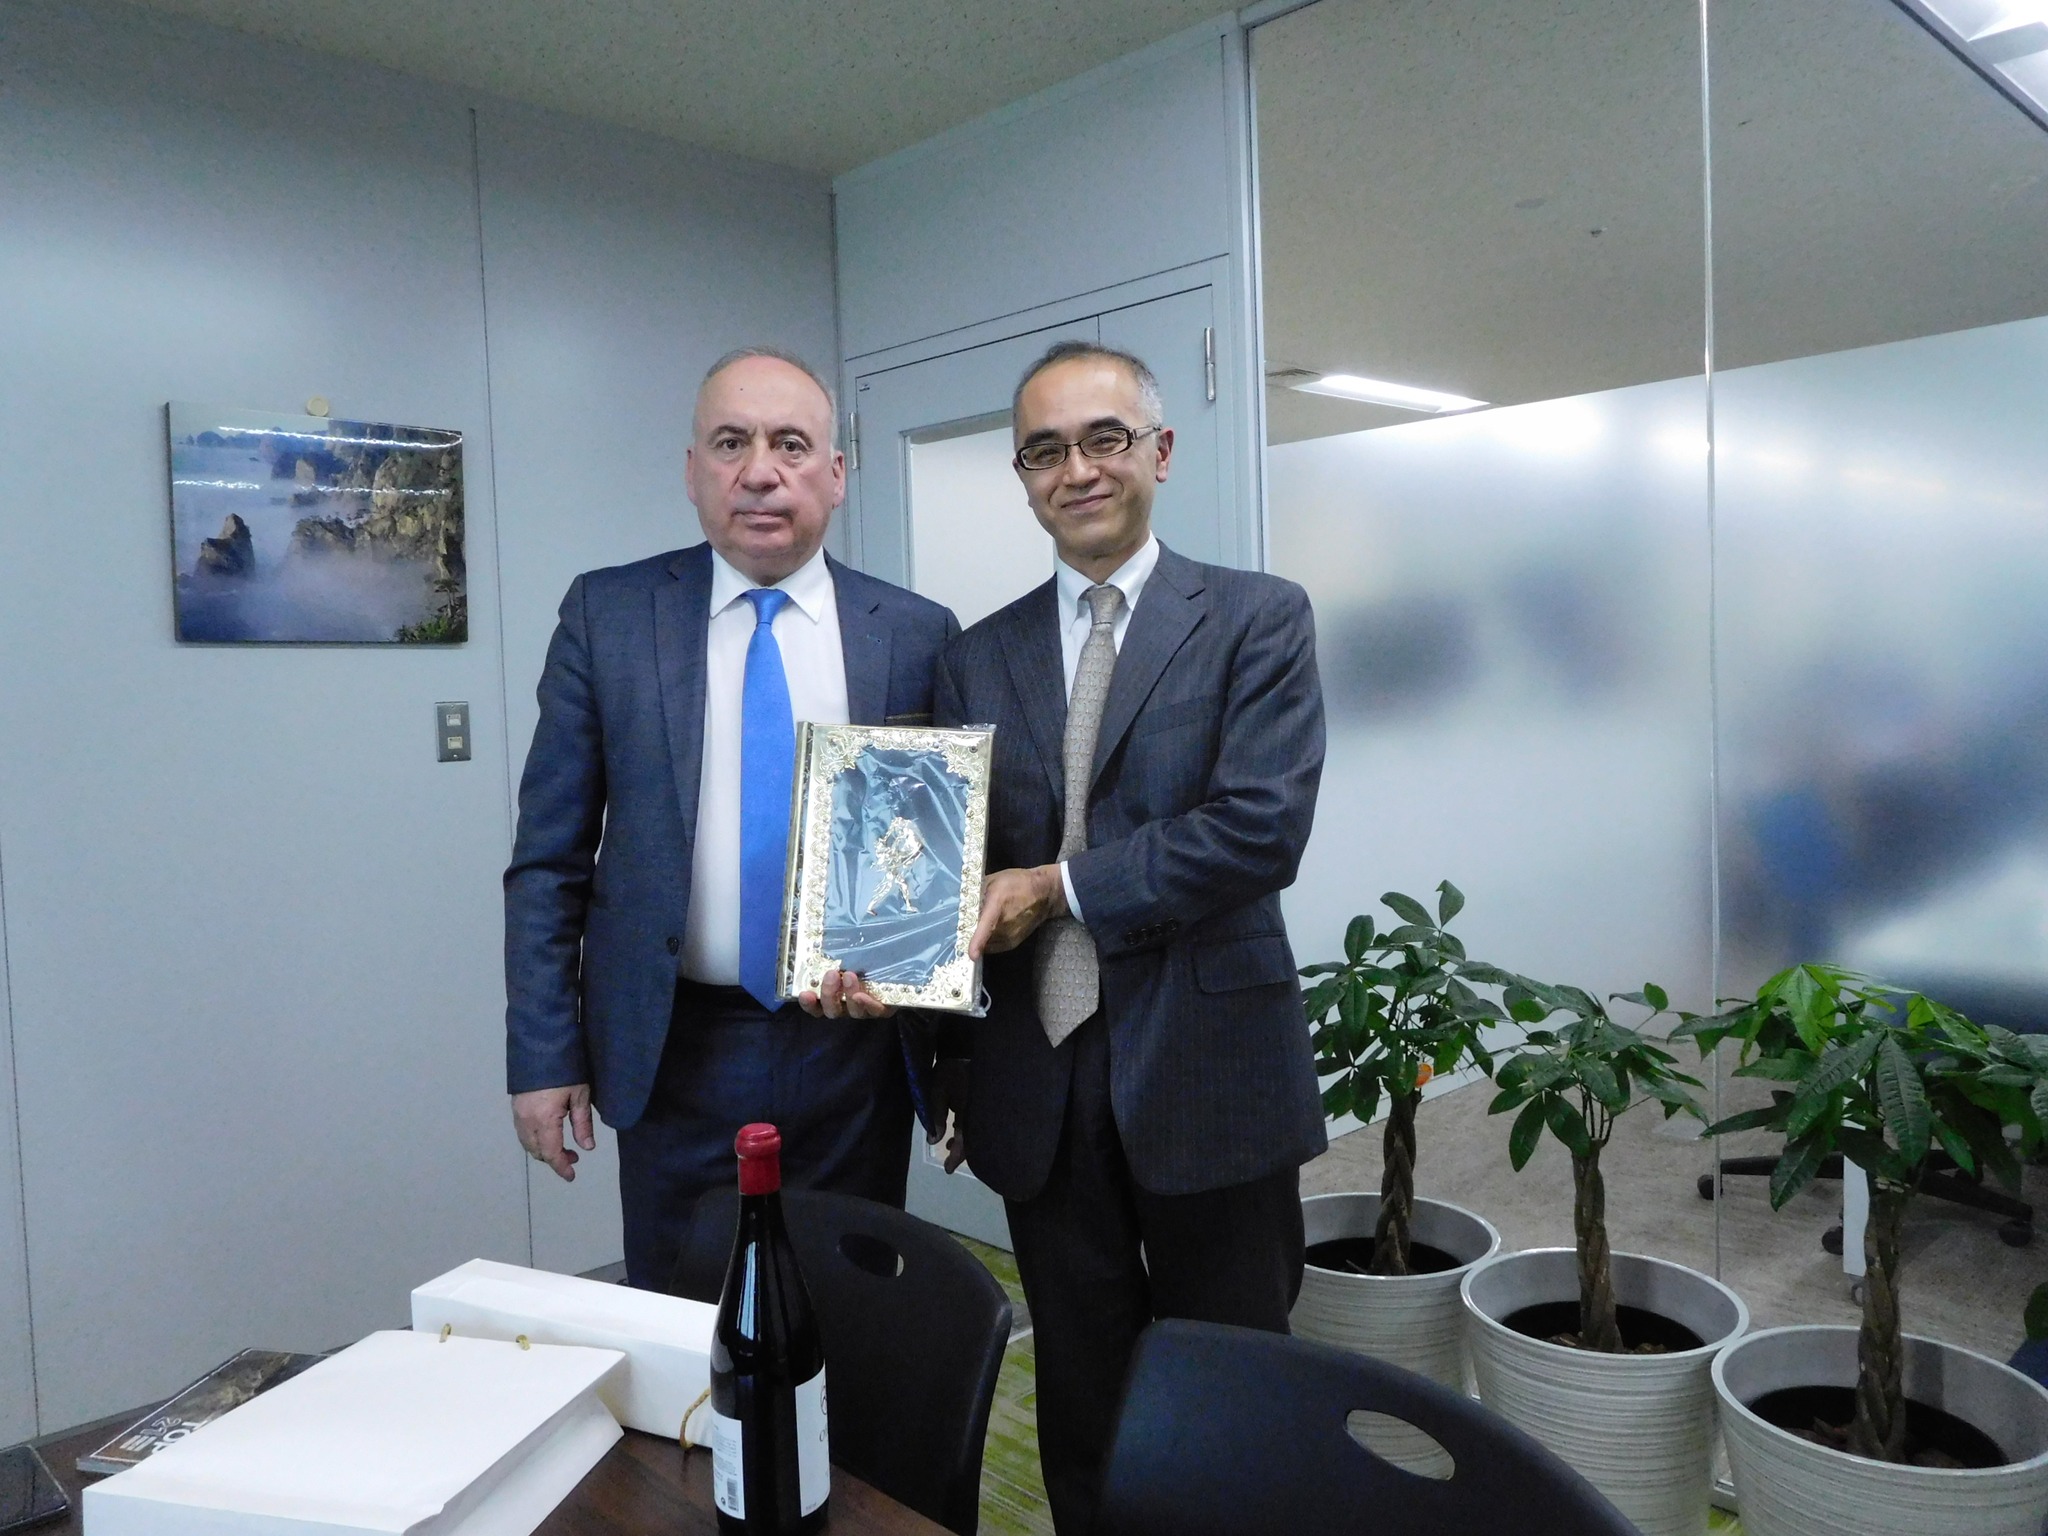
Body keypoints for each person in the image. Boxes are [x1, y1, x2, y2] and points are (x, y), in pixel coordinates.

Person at [932, 341, 1329, 1535]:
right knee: (1082, 1392)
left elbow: (1257, 832)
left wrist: (1058, 885)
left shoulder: (1256, 617)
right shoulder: (973, 655)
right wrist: (932, 1047)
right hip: (1038, 1082)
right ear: (1023, 478)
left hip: (1211, 1069)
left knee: (1233, 1386)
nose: (1078, 469)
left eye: (1104, 438)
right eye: (1044, 450)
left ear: (1158, 451)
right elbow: (945, 870)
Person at [505, 347, 958, 1290]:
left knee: (853, 1315)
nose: (760, 471)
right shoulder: (610, 616)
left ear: (836, 473)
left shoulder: (916, 633)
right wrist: (544, 1055)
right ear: (692, 471)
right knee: (682, 1327)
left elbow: (938, 854)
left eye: (791, 444)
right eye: (730, 442)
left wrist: (958, 1056)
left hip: (856, 1056)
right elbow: (549, 861)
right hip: (674, 1049)